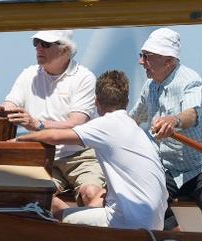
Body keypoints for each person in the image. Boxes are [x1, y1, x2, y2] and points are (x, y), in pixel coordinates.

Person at [13, 70, 168, 230]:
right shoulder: (135, 129)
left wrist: (18, 140)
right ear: (127, 102)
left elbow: (55, 137)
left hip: (130, 223)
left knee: (55, 215)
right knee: (98, 200)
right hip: (155, 222)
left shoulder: (105, 124)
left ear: (96, 102)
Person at [0, 30, 105, 214]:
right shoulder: (28, 75)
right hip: (43, 155)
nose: (38, 47)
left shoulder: (84, 78)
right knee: (39, 195)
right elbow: (8, 107)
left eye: (46, 44)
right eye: (36, 43)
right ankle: (71, 227)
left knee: (91, 193)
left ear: (65, 50)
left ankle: (86, 232)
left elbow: (76, 124)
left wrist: (37, 124)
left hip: (80, 155)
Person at [129, 28, 202, 234]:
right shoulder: (150, 86)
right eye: (141, 55)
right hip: (168, 168)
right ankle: (175, 234)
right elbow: (133, 119)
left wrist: (174, 120)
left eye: (147, 56)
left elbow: (193, 114)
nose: (141, 62)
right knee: (148, 192)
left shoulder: (189, 79)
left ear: (168, 61)